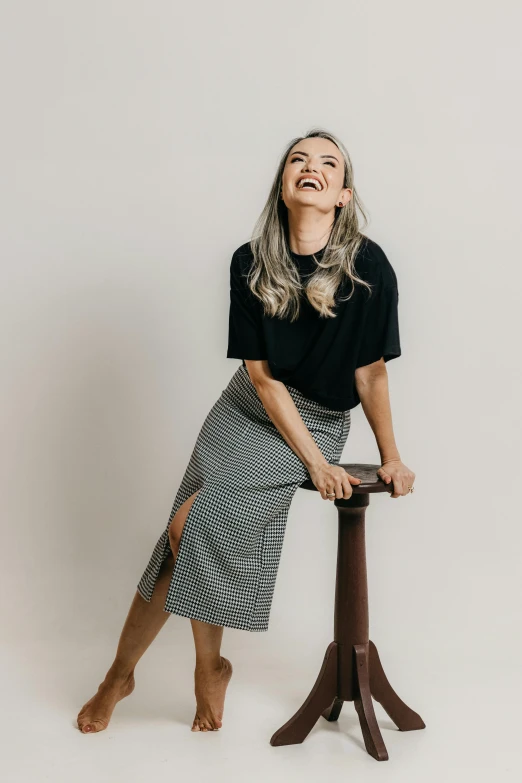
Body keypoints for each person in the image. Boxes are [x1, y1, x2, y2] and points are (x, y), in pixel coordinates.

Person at [76, 128, 416, 736]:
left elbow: (370, 373)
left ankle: (203, 666)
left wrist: (392, 456)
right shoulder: (250, 261)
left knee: (190, 523)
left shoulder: (369, 267)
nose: (310, 168)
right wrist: (314, 466)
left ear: (343, 194)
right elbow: (261, 379)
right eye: (298, 160)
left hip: (314, 418)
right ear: (283, 186)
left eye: (327, 164)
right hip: (245, 410)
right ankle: (123, 676)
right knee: (179, 536)